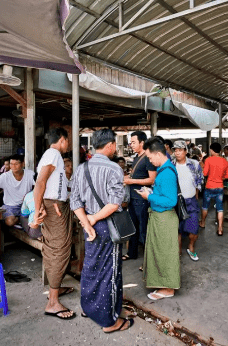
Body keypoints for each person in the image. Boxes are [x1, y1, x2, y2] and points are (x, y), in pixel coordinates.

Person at [69, 129, 134, 333]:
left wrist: (87, 223)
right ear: (109, 145)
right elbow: (115, 202)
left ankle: (90, 308)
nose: (115, 147)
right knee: (110, 271)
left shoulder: (81, 168)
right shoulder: (114, 168)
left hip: (88, 223)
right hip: (106, 225)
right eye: (114, 144)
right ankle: (110, 322)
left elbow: (75, 201)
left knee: (90, 267)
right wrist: (95, 219)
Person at [33, 128, 75, 319]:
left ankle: (55, 288)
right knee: (58, 249)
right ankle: (53, 302)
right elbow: (40, 183)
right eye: (68, 140)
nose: (69, 145)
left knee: (58, 248)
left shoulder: (51, 155)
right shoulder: (53, 154)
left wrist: (42, 204)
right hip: (54, 206)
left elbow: (46, 184)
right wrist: (38, 209)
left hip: (54, 204)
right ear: (62, 140)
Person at [136, 137, 180, 300]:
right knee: (160, 253)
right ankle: (163, 285)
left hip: (164, 219)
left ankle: (168, 289)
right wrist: (152, 193)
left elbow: (171, 201)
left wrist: (149, 197)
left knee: (165, 254)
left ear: (158, 154)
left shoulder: (167, 172)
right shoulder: (164, 169)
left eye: (149, 157)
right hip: (160, 218)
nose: (149, 160)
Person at [122, 131, 156, 262]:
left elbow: (152, 179)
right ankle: (132, 253)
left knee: (144, 230)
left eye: (134, 142)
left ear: (142, 143)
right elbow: (134, 176)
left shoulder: (147, 157)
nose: (131, 145)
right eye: (131, 142)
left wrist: (132, 182)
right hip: (133, 199)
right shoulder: (137, 157)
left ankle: (149, 261)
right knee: (133, 229)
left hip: (142, 200)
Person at [0, 155, 35, 228]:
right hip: (9, 207)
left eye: (16, 164)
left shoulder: (30, 174)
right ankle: (22, 220)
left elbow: (38, 187)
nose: (13, 166)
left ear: (23, 164)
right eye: (11, 164)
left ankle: (22, 219)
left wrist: (30, 195)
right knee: (9, 221)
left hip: (25, 205)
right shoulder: (5, 176)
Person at [172, 140, 203, 261]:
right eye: (175, 150)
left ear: (185, 151)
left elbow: (200, 180)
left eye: (180, 150)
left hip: (191, 201)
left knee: (194, 228)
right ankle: (178, 251)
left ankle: (191, 247)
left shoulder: (194, 164)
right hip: (176, 202)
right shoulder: (171, 165)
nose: (177, 153)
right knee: (177, 229)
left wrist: (196, 194)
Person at [200, 142, 228, 236]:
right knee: (220, 208)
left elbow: (205, 174)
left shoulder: (208, 160)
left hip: (209, 186)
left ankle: (203, 223)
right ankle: (220, 228)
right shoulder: (225, 161)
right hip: (220, 187)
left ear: (212, 150)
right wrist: (221, 178)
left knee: (205, 206)